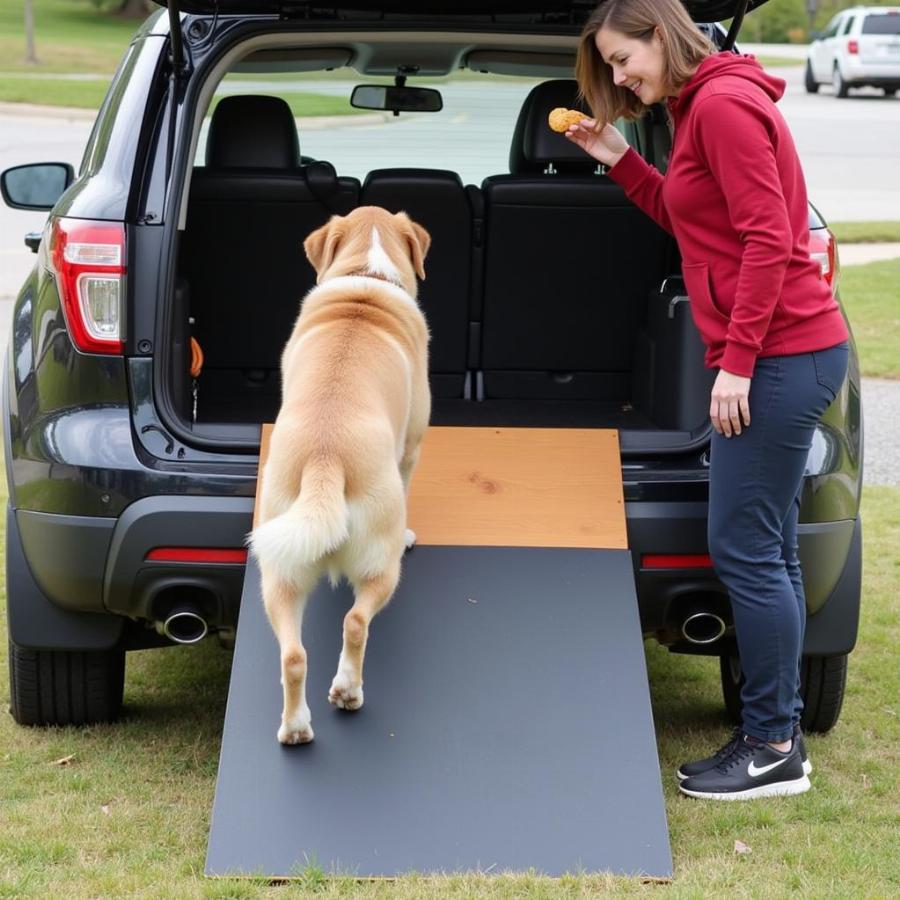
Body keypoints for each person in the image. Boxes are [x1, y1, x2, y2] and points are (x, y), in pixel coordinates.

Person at [567, 0, 850, 801]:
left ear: (661, 33)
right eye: (611, 68)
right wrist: (619, 155)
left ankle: (769, 746)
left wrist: (735, 362)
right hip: (789, 353)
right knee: (773, 551)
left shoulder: (721, 107)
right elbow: (694, 223)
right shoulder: (698, 106)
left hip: (781, 357)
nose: (620, 77)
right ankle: (780, 736)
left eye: (624, 60)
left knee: (745, 551)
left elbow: (770, 237)